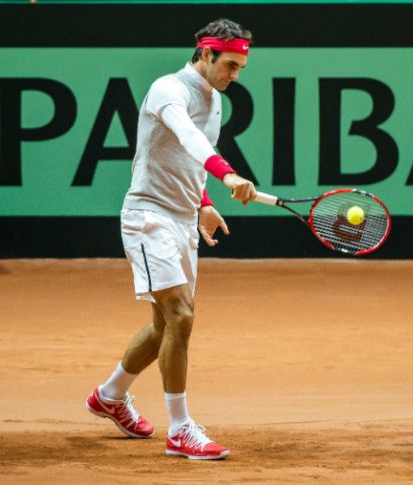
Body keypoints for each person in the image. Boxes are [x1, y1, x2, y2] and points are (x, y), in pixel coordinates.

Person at [85, 18, 256, 460]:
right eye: (231, 65)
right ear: (206, 53)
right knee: (181, 317)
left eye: (240, 67)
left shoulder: (214, 99)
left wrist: (203, 202)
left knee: (165, 325)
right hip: (148, 217)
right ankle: (180, 429)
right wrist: (229, 174)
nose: (235, 75)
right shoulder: (168, 89)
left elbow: (186, 159)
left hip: (182, 220)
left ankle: (109, 396)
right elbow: (189, 138)